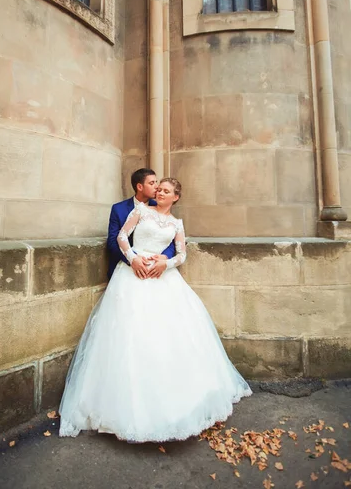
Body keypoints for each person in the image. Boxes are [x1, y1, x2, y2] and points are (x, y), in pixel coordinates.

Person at [59, 178, 251, 443]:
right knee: (129, 334)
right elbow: (121, 236)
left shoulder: (176, 224)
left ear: (175, 197)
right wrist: (134, 258)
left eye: (166, 190)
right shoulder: (140, 211)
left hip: (162, 279)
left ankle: (176, 405)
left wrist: (166, 264)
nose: (160, 192)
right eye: (158, 188)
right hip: (131, 275)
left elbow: (182, 254)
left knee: (167, 336)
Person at [106, 168, 175, 279]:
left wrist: (165, 257)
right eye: (152, 183)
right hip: (125, 268)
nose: (157, 186)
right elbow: (112, 242)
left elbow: (170, 237)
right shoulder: (118, 209)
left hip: (154, 269)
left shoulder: (161, 206)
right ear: (140, 187)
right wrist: (132, 259)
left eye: (156, 182)